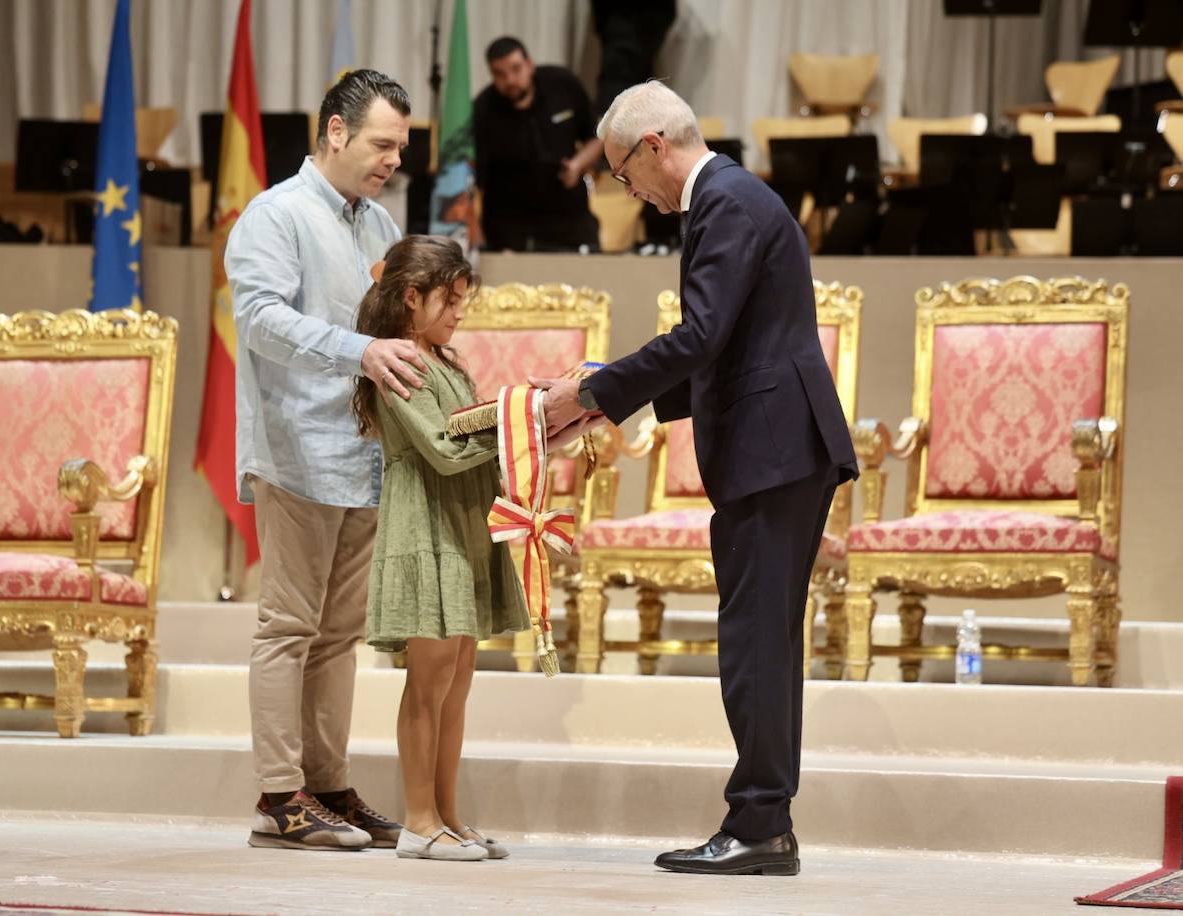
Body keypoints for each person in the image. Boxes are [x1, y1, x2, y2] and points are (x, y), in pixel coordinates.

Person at [535, 81, 858, 876]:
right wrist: (606, 402)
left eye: (622, 173)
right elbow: (723, 349)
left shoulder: (725, 203)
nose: (630, 193)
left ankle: (759, 824)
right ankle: (764, 824)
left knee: (754, 648)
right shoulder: (732, 199)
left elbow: (702, 334)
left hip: (773, 451)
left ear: (653, 147)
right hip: (776, 448)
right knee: (763, 647)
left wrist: (594, 392)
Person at [227, 69, 426, 852]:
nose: (392, 160)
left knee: (340, 634)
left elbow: (398, 333)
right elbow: (262, 322)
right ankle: (279, 795)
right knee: (288, 626)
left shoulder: (378, 226)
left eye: (401, 147)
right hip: (297, 451)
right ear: (335, 133)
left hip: (363, 454)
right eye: (382, 143)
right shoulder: (274, 216)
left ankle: (329, 784)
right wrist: (362, 352)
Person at [352, 235, 591, 861]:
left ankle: (448, 815)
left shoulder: (448, 362)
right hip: (423, 523)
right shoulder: (401, 362)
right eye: (450, 301)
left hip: (462, 519)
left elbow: (478, 433)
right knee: (427, 682)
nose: (460, 313)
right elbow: (444, 447)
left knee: (457, 680)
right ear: (411, 297)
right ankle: (417, 821)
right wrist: (525, 418)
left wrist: (544, 424)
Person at [473, 36, 602, 252]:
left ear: (530, 64)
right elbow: (476, 181)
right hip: (509, 225)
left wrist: (577, 165)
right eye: (500, 74)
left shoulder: (563, 85)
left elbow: (597, 138)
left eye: (516, 69)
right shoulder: (483, 109)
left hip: (568, 215)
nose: (510, 80)